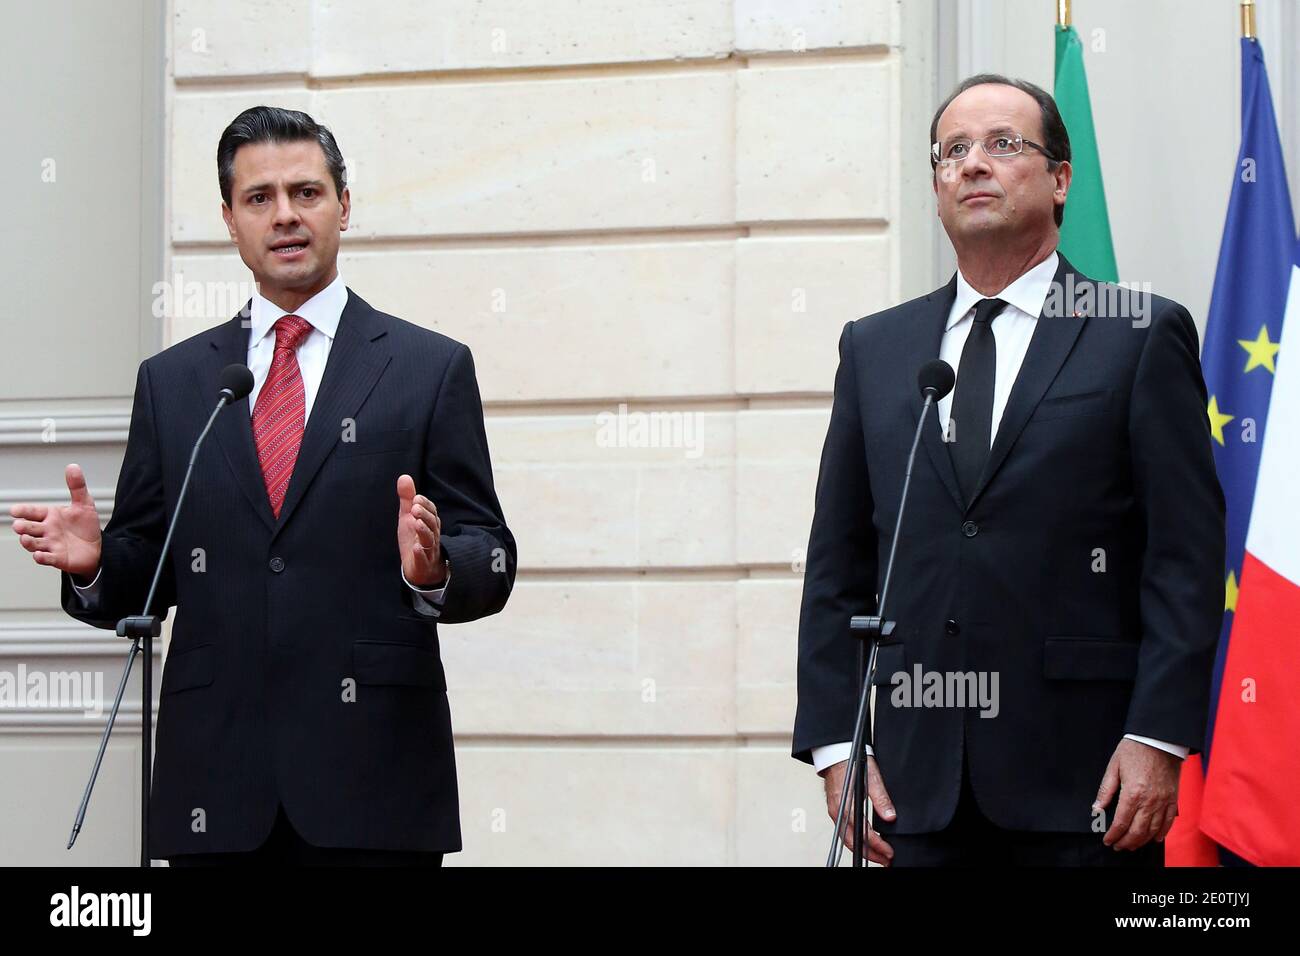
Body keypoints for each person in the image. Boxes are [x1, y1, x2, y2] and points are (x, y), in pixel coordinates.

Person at [10, 105, 516, 865]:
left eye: (306, 193)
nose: (285, 215)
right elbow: (150, 567)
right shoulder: (178, 383)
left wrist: (438, 569)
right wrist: (99, 562)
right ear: (229, 219)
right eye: (259, 198)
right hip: (216, 785)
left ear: (344, 206)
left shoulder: (427, 368)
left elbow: (492, 548)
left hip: (373, 784)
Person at [792, 75, 1225, 867]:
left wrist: (1156, 736)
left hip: (1088, 787)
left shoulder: (1136, 334)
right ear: (935, 188)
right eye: (952, 151)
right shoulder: (878, 349)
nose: (973, 165)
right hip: (912, 793)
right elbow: (838, 569)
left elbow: (1185, 559)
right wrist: (833, 745)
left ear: (1061, 179)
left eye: (1003, 144)